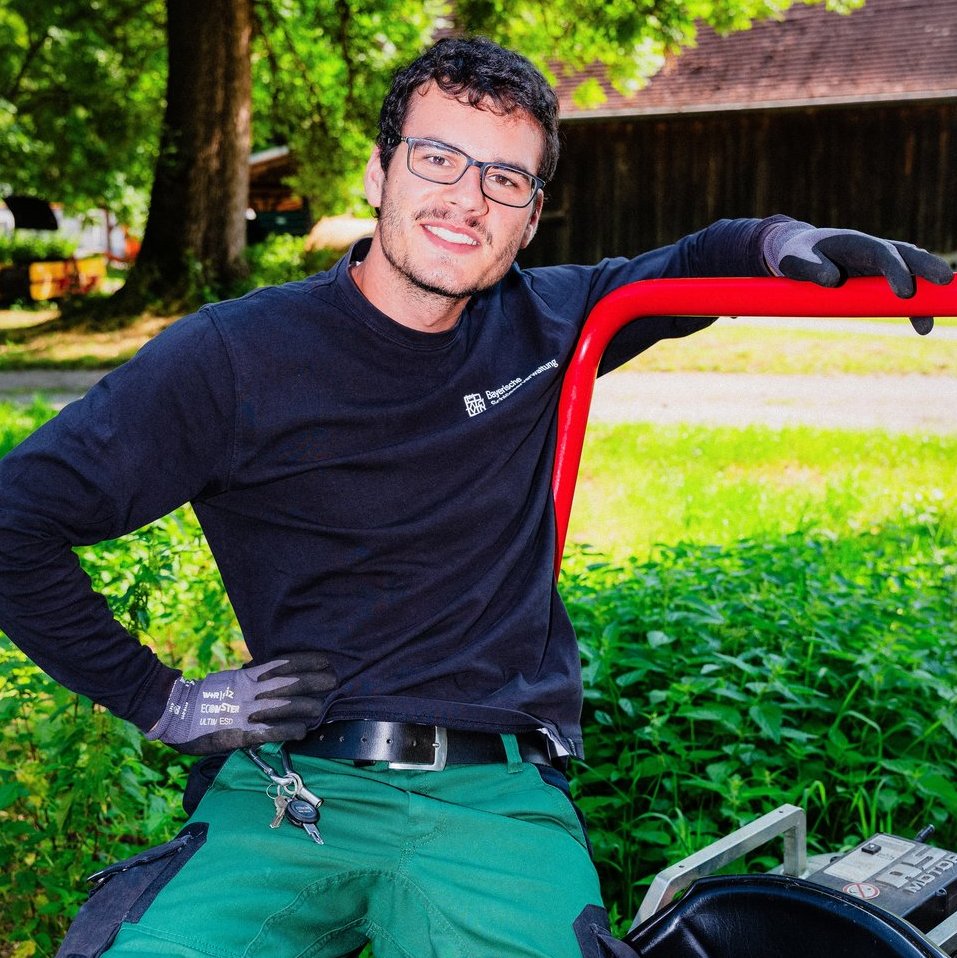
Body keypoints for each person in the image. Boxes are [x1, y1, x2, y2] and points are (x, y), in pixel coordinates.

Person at [0, 35, 951, 958]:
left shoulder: (548, 321)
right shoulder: (232, 357)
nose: (468, 198)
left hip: (494, 795)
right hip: (289, 788)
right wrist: (166, 702)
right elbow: (15, 520)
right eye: (438, 158)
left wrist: (791, 241)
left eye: (506, 178)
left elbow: (696, 259)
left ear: (531, 216)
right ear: (378, 173)